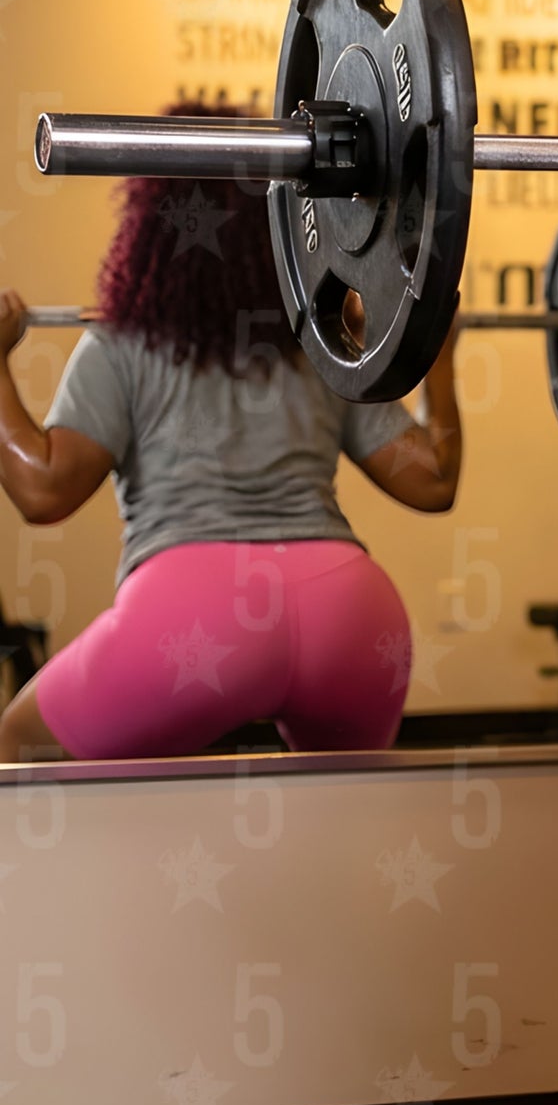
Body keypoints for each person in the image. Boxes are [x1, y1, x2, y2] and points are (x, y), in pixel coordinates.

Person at [0, 150, 462, 762]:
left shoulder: (120, 344)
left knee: (21, 744)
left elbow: (43, 492)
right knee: (350, 828)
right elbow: (433, 481)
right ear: (286, 227)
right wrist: (442, 357)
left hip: (190, 620)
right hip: (350, 615)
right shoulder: (322, 345)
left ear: (147, 228)